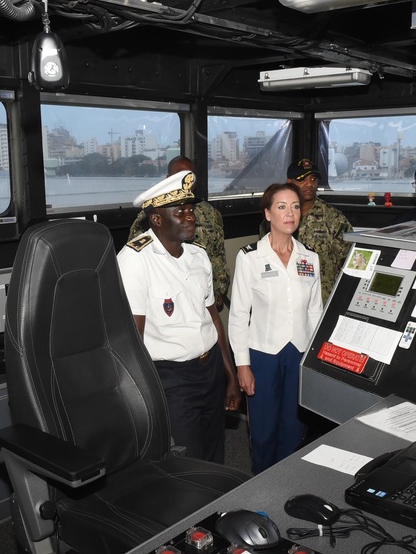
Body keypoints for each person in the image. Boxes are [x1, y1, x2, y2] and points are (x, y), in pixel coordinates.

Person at [117, 171, 240, 463]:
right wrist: (141, 399)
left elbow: (213, 319)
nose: (190, 217)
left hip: (209, 370)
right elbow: (132, 339)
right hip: (171, 379)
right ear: (157, 219)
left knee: (214, 454)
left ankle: (216, 509)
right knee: (187, 460)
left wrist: (230, 375)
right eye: (180, 211)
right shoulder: (134, 260)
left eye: (190, 209)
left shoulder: (198, 256)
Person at [229, 183, 322, 474]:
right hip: (264, 356)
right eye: (281, 207)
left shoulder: (310, 257)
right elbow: (238, 315)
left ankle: (286, 483)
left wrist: (316, 362)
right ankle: (260, 487)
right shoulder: (250, 257)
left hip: (299, 353)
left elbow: (315, 311)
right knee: (264, 430)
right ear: (268, 213)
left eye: (295, 206)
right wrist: (242, 366)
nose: (290, 213)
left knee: (295, 428)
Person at [129, 156, 229, 310]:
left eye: (191, 175)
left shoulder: (211, 213)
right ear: (168, 178)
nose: (187, 181)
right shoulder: (151, 215)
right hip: (166, 293)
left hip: (201, 289)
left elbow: (218, 255)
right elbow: (139, 259)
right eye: (180, 175)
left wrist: (220, 289)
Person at [287, 158, 352, 303]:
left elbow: (349, 261)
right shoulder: (279, 219)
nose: (309, 184)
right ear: (290, 183)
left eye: (313, 179)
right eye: (302, 179)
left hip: (322, 300)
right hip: (287, 300)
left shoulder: (333, 219)